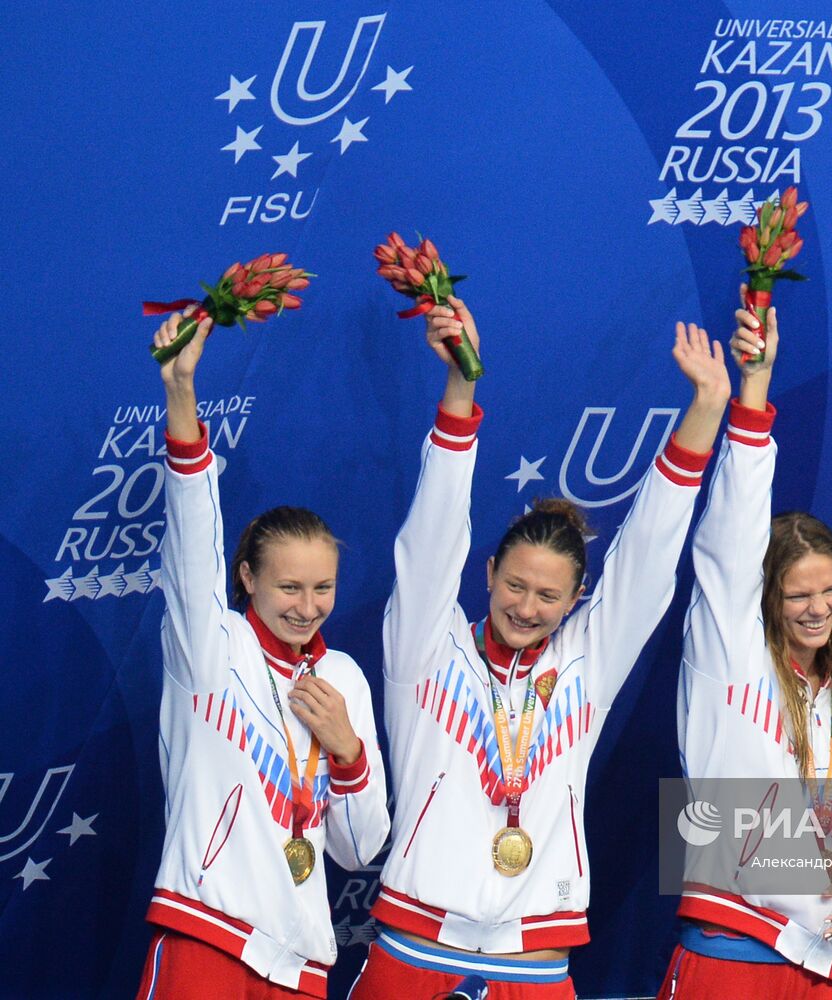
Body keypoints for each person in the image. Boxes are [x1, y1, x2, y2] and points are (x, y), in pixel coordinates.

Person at [351, 299, 728, 998]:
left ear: (577, 598)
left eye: (547, 596)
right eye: (514, 585)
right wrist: (461, 389)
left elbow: (649, 552)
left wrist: (705, 410)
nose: (526, 607)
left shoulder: (587, 661)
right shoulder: (424, 651)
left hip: (534, 960)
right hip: (415, 949)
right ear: (488, 575)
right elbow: (430, 538)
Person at [136, 312, 390, 999]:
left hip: (301, 962)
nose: (306, 606)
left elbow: (359, 849)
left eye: (322, 588)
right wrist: (182, 393)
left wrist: (347, 755)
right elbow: (190, 535)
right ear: (247, 577)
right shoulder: (209, 646)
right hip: (206, 933)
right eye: (288, 586)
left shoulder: (342, 678)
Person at [659, 297, 832, 999]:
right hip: (733, 950)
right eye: (796, 596)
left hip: (824, 959)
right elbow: (729, 541)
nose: (817, 609)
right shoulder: (729, 657)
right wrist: (753, 392)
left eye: (830, 591)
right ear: (763, 599)